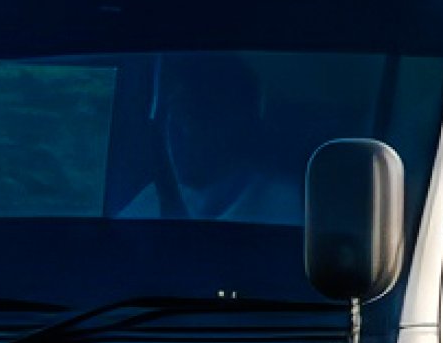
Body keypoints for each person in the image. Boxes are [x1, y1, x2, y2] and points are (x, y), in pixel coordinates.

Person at [116, 52, 305, 224]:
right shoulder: (151, 201)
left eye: (194, 114)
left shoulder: (290, 207)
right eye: (173, 117)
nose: (179, 134)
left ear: (236, 120)